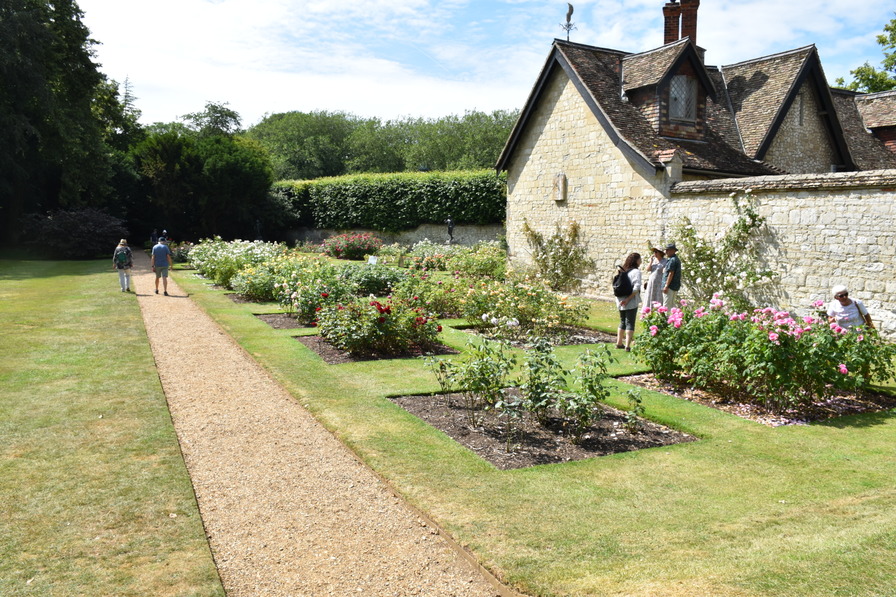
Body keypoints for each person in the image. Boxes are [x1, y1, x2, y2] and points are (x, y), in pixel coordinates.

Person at [615, 252, 642, 352]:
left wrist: (624, 299)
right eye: (640, 259)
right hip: (630, 300)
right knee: (630, 322)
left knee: (622, 321)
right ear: (636, 260)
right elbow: (636, 287)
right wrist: (628, 299)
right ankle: (627, 346)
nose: (641, 261)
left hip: (620, 299)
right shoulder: (636, 272)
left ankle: (619, 343)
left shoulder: (623, 270)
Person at [661, 243, 682, 308]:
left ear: (673, 251)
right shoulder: (675, 259)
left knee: (666, 305)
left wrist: (666, 286)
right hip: (674, 286)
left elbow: (671, 273)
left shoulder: (672, 260)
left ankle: (666, 318)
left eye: (668, 250)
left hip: (670, 286)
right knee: (672, 304)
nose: (666, 252)